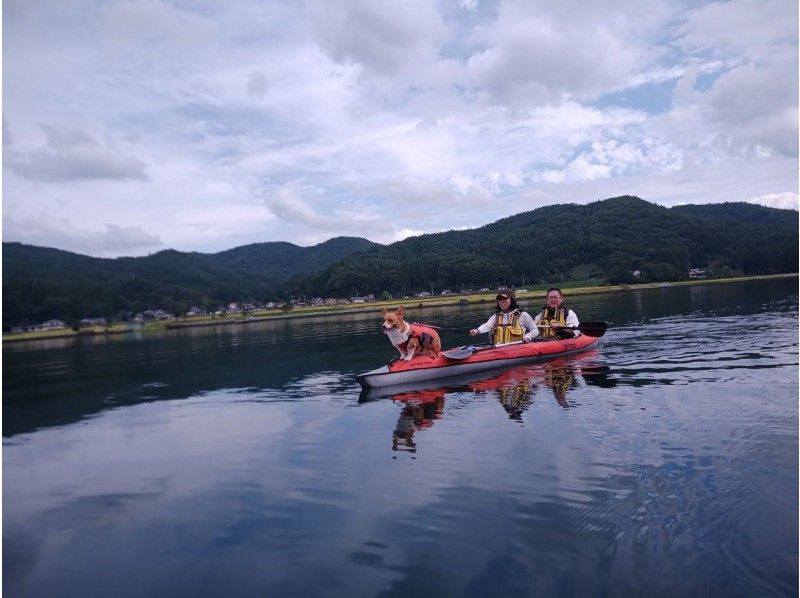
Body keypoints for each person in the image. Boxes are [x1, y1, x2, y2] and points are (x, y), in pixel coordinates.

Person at [469, 289, 538, 343]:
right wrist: (477, 330)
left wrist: (528, 337)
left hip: (517, 349)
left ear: (512, 300)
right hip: (499, 351)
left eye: (505, 299)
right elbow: (487, 325)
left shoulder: (522, 315)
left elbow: (535, 330)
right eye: (500, 300)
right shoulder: (496, 316)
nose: (502, 302)